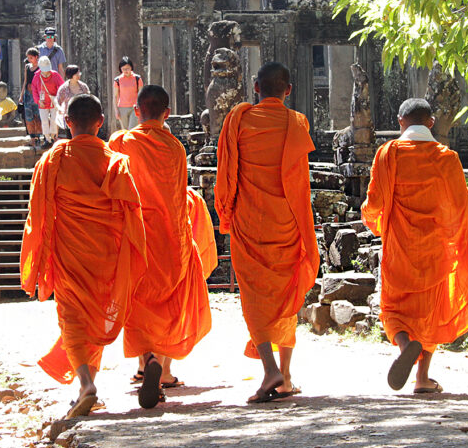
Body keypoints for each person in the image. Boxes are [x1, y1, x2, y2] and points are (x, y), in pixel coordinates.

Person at [21, 94, 147, 418]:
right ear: (101, 122)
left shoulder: (53, 160)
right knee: (96, 314)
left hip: (70, 251)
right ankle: (85, 385)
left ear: (66, 122)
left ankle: (87, 383)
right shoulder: (116, 161)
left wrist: (41, 253)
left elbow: (39, 212)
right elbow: (130, 212)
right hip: (106, 252)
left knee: (73, 317)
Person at [362, 97, 468, 394]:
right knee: (430, 311)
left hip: (400, 247)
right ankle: (422, 378)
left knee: (394, 308)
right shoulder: (446, 158)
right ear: (431, 123)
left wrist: (373, 221)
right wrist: (457, 241)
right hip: (436, 248)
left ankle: (404, 344)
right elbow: (461, 206)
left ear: (400, 122)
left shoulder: (389, 154)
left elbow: (375, 203)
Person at [215, 62, 318, 404]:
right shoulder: (297, 123)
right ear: (288, 90)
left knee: (255, 294)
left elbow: (227, 171)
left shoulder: (239, 120)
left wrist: (225, 210)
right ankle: (285, 376)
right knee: (287, 290)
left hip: (249, 219)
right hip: (287, 220)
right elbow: (300, 183)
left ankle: (270, 367)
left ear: (255, 88)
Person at [108, 85, 213, 409]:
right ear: (167, 114)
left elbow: (110, 191)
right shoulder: (175, 147)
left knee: (138, 299)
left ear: (136, 111)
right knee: (170, 299)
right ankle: (164, 369)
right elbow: (179, 195)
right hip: (171, 237)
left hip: (136, 236)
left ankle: (145, 362)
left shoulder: (121, 143)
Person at [31, 56, 64, 145]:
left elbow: (62, 88)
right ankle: (46, 138)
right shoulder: (37, 76)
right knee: (44, 120)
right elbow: (34, 89)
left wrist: (59, 99)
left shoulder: (55, 75)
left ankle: (53, 137)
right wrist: (38, 100)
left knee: (54, 120)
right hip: (42, 102)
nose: (46, 73)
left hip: (54, 102)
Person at [56, 65, 91, 140]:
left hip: (83, 116)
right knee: (71, 138)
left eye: (79, 73)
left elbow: (89, 99)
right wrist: (59, 109)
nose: (79, 75)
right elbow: (57, 101)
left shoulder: (83, 87)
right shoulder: (63, 88)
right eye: (76, 74)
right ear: (71, 75)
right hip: (70, 117)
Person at [20, 47, 43, 146]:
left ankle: (39, 136)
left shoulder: (41, 67)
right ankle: (32, 137)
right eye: (28, 58)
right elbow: (25, 81)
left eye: (31, 58)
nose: (29, 60)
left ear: (36, 57)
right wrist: (21, 95)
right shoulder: (27, 67)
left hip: (37, 94)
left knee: (37, 115)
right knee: (28, 116)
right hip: (28, 94)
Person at [112, 57, 143, 130]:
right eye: (123, 69)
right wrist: (116, 110)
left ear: (131, 68)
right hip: (122, 108)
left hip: (134, 107)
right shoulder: (117, 80)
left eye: (127, 68)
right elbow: (115, 96)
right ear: (120, 69)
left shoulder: (137, 78)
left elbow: (141, 94)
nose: (126, 71)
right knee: (125, 130)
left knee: (132, 129)